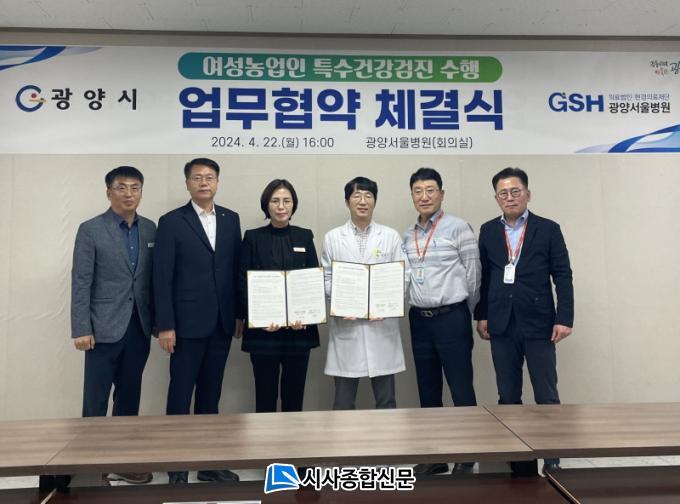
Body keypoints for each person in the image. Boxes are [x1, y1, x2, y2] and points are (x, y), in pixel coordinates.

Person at [474, 167, 574, 475]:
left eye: (515, 191)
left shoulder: (548, 229)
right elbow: (485, 276)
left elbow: (562, 275)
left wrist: (564, 317)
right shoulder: (488, 230)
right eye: (503, 193)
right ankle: (518, 457)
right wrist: (482, 314)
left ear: (527, 194)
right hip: (501, 323)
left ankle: (552, 456)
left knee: (546, 393)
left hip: (539, 322)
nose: (509, 197)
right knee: (508, 394)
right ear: (496, 198)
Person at [153, 158, 243, 484]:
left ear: (217, 182)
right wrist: (165, 325)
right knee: (180, 396)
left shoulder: (231, 219)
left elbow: (234, 271)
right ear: (187, 183)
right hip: (185, 326)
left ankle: (208, 464)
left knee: (210, 396)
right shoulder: (171, 222)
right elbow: (161, 277)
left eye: (210, 177)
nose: (204, 183)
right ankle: (177, 468)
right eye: (197, 178)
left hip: (221, 323)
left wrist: (238, 314)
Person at [71, 165, 155, 485]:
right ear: (109, 192)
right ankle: (90, 467)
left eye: (135, 187)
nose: (129, 193)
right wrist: (81, 327)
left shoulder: (151, 229)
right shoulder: (91, 229)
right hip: (101, 328)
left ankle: (122, 460)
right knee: (95, 400)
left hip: (139, 326)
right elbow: (81, 281)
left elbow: (153, 280)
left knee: (129, 397)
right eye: (121, 187)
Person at [402, 167, 480, 476]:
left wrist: (465, 311)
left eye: (430, 190)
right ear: (412, 196)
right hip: (419, 320)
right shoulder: (407, 235)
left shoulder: (459, 228)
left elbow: (474, 275)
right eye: (418, 191)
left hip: (451, 318)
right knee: (427, 389)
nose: (424, 196)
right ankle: (434, 455)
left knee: (460, 387)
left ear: (441, 194)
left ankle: (468, 453)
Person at [321, 176, 407, 411]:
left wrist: (387, 305)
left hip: (382, 328)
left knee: (386, 401)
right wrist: (340, 304)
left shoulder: (390, 236)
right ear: (347, 201)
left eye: (368, 195)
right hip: (347, 327)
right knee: (343, 402)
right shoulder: (333, 237)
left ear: (375, 201)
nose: (362, 201)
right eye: (356, 195)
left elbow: (402, 276)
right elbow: (326, 278)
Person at [239, 179, 320, 413]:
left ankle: (293, 438)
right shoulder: (252, 237)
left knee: (294, 399)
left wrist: (306, 316)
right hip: (263, 333)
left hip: (298, 332)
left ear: (294, 205)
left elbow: (312, 280)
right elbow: (242, 282)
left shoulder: (305, 237)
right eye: (275, 201)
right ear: (266, 205)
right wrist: (258, 318)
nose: (281, 206)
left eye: (287, 201)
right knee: (265, 397)